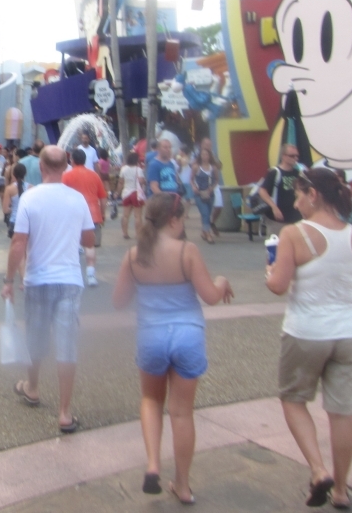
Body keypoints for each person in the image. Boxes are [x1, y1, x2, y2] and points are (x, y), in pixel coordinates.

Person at [112, 192, 233, 504]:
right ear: (174, 220)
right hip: (187, 336)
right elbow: (210, 296)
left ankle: (153, 464)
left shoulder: (134, 255)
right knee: (181, 413)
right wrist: (221, 281)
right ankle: (182, 484)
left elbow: (118, 301)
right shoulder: (187, 251)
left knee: (151, 400)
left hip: (151, 335)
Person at [266, 168, 352, 508]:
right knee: (342, 412)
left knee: (293, 400)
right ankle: (342, 490)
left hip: (307, 330)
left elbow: (278, 286)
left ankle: (319, 470)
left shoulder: (295, 233)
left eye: (298, 196)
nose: (296, 203)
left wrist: (269, 272)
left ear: (313, 194)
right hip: (349, 332)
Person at [2, 147, 94, 433]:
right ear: (66, 166)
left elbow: (18, 243)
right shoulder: (77, 199)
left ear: (41, 167)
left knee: (36, 337)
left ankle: (32, 387)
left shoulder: (29, 198)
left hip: (38, 279)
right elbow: (89, 239)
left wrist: (8, 281)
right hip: (69, 280)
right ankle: (65, 413)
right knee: (67, 346)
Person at [63, 148, 107, 287]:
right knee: (90, 246)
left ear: (72, 161)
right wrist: (102, 214)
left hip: (72, 215)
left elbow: (62, 197)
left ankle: (72, 275)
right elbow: (103, 198)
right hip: (93, 214)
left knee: (71, 246)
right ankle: (91, 274)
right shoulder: (94, 176)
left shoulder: (66, 176)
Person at [258, 144, 303, 237]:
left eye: (297, 156)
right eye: (292, 156)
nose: (295, 158)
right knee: (276, 242)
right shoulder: (275, 172)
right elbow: (262, 191)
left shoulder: (298, 173)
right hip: (277, 217)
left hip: (295, 217)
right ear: (283, 156)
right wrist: (274, 208)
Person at [190, 147, 219, 243]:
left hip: (210, 194)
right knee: (205, 213)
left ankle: (204, 231)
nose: (205, 156)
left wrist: (212, 188)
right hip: (199, 194)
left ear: (209, 156)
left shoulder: (213, 168)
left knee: (207, 214)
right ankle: (208, 233)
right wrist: (194, 187)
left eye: (206, 154)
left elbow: (216, 180)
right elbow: (191, 179)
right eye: (203, 154)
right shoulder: (196, 167)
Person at [199, 138, 224, 235]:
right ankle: (205, 231)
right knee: (205, 210)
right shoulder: (198, 155)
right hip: (202, 185)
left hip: (213, 184)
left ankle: (212, 222)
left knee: (219, 205)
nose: (208, 147)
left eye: (210, 145)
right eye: (206, 145)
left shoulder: (213, 155)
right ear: (202, 145)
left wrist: (215, 162)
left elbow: (220, 166)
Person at [118, 151, 146, 239]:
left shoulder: (123, 169)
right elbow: (141, 181)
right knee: (137, 216)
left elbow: (120, 182)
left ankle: (125, 233)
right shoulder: (139, 169)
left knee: (125, 215)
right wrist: (144, 182)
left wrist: (117, 192)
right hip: (136, 193)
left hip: (126, 193)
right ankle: (138, 234)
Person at [2, 162, 29, 238]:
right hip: (28, 221)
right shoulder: (31, 188)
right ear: (25, 174)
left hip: (14, 221)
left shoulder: (9, 189)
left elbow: (5, 210)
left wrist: (13, 209)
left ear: (13, 174)